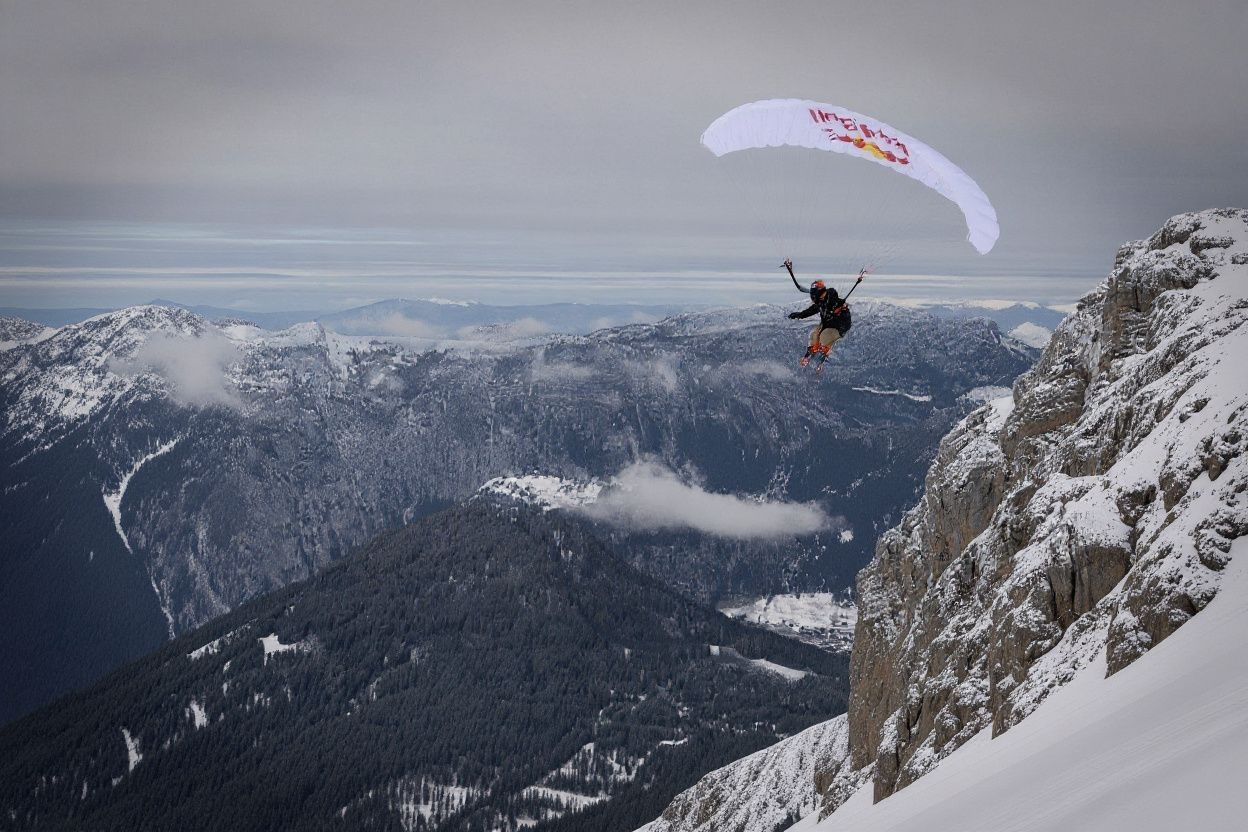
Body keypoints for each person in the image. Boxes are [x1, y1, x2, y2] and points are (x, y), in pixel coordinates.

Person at [783, 259, 852, 367]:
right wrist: (799, 315)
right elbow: (810, 309)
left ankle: (824, 358)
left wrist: (838, 311)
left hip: (839, 326)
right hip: (827, 324)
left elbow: (833, 298)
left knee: (824, 337)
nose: (814, 299)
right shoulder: (821, 302)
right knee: (814, 335)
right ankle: (809, 355)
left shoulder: (832, 300)